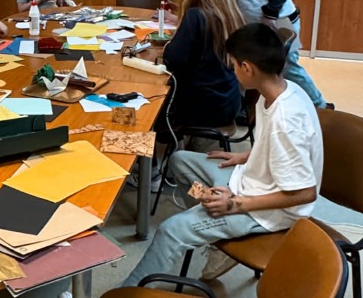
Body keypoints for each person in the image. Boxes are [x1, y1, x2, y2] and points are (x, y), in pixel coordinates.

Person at [121, 23, 323, 286]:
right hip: (250, 182)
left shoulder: (285, 122)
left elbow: (304, 193)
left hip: (267, 212)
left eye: (234, 65)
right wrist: (246, 156)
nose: (233, 71)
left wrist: (235, 204)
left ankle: (127, 291)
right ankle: (216, 229)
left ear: (247, 68)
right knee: (180, 162)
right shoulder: (277, 91)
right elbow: (279, 149)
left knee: (170, 231)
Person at [158, 0, 246, 135]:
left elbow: (172, 60)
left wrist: (169, 45)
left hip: (205, 106)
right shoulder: (230, 12)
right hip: (229, 100)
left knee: (155, 98)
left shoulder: (196, 15)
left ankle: (163, 142)